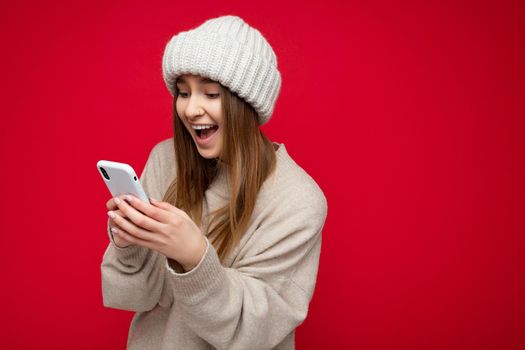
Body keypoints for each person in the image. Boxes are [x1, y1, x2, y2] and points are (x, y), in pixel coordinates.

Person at [100, 15, 328, 350]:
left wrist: (194, 257)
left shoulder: (298, 200)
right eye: (183, 92)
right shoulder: (166, 161)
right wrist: (128, 245)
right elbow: (133, 297)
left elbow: (255, 332)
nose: (191, 109)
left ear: (246, 105)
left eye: (210, 93)